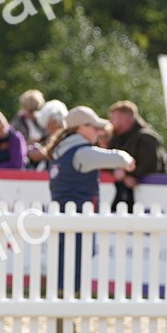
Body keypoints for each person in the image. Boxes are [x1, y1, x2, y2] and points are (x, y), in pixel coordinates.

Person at [43, 106, 135, 293]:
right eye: (94, 127)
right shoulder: (82, 152)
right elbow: (117, 158)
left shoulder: (60, 151)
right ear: (81, 127)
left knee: (65, 260)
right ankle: (68, 302)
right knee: (78, 259)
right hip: (80, 218)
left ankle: (62, 302)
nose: (99, 132)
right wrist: (127, 160)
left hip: (62, 216)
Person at [107, 100, 167, 210]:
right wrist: (123, 176)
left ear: (125, 119)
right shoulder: (117, 138)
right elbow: (108, 161)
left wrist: (125, 173)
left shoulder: (146, 138)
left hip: (154, 196)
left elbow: (150, 167)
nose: (110, 122)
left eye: (113, 119)